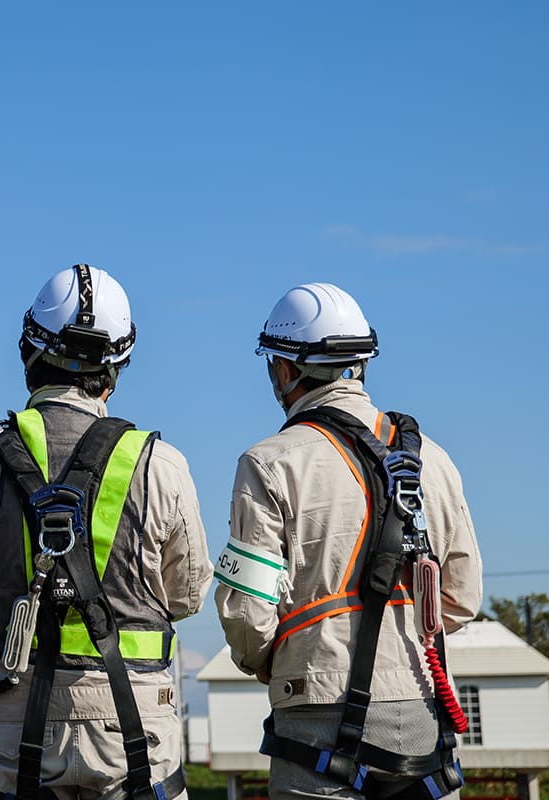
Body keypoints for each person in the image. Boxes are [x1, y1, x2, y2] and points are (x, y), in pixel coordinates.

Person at [0, 265, 211, 800]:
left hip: (11, 732)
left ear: (26, 353)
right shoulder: (161, 465)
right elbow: (187, 596)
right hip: (133, 732)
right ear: (117, 368)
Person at [215, 283, 482, 800]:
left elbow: (247, 615)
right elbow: (463, 597)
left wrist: (289, 660)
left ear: (286, 370)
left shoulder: (268, 463)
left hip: (316, 711)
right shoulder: (435, 459)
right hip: (424, 709)